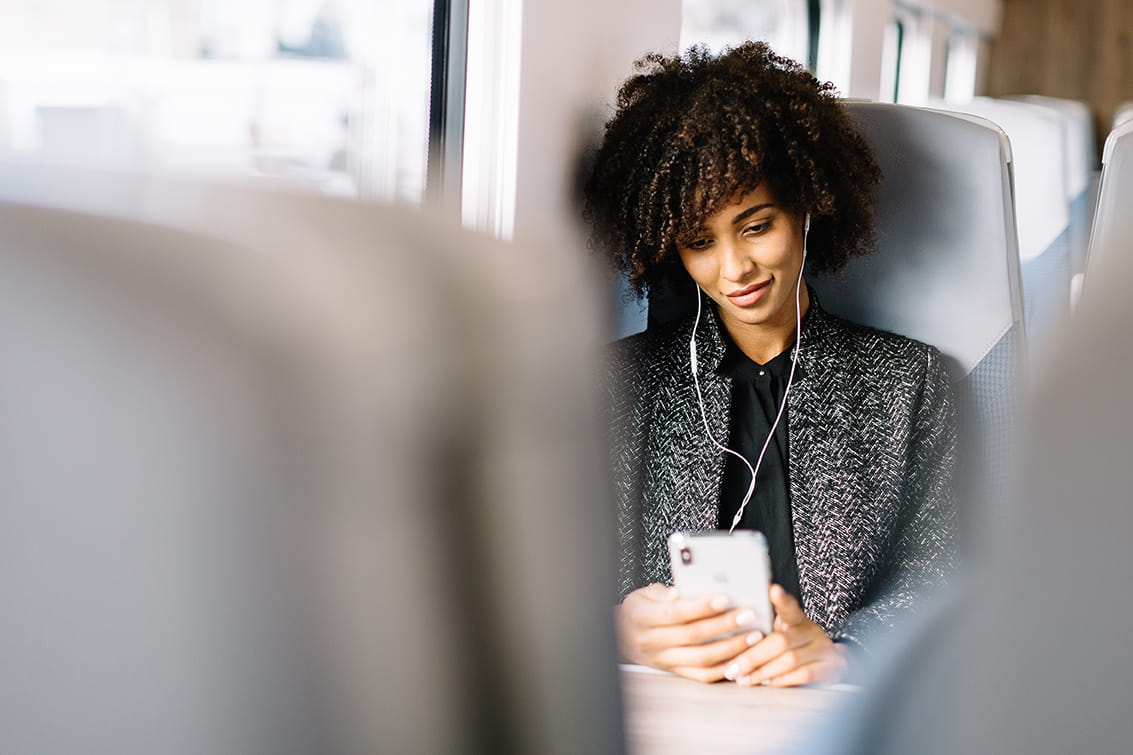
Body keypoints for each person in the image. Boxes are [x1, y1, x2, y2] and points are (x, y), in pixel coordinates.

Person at [584, 41, 957, 687]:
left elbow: (943, 569)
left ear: (805, 209)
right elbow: (547, 573)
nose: (735, 269)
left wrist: (847, 654)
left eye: (756, 227)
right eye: (700, 241)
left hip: (832, 707)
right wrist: (615, 630)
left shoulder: (910, 382)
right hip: (664, 705)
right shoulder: (617, 384)